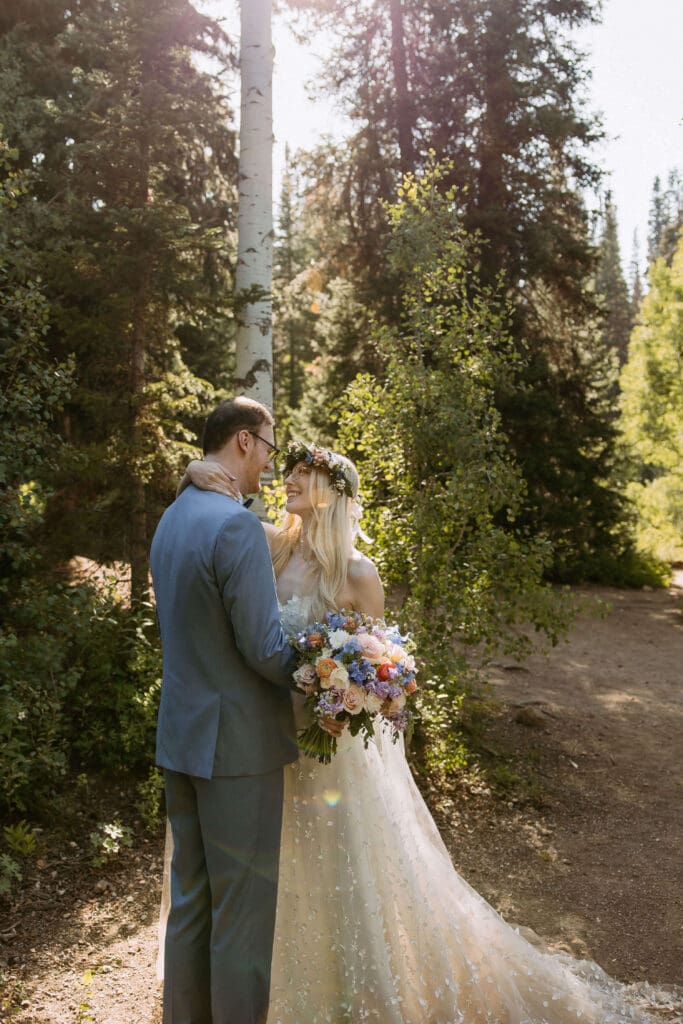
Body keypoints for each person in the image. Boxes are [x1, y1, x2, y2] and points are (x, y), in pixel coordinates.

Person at [163, 440, 667, 1024]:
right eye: (290, 469)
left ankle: (343, 997)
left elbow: (380, 667)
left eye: (303, 473)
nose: (289, 480)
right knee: (268, 878)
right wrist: (198, 470)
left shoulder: (358, 573)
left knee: (340, 873)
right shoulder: (270, 548)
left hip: (327, 747)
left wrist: (349, 690)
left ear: (333, 493)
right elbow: (222, 527)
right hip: (262, 737)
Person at [150, 397, 300, 1024]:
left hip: (181, 738)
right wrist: (331, 666)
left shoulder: (173, 516)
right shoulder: (234, 526)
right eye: (267, 446)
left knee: (191, 901)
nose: (268, 460)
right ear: (243, 441)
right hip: (237, 747)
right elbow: (266, 649)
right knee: (241, 912)